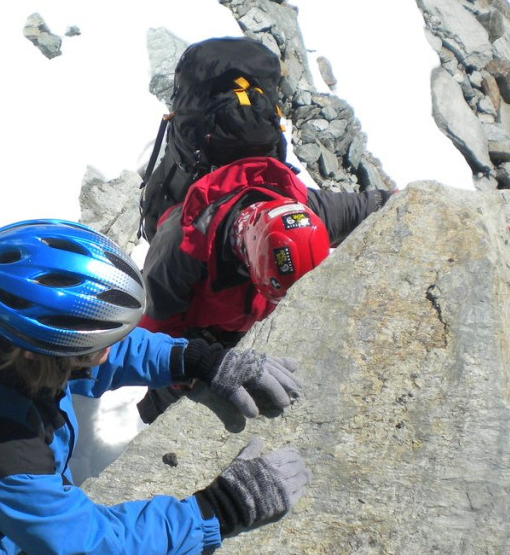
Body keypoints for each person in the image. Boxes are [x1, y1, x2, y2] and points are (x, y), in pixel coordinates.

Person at [0, 218, 312, 555]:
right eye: (95, 347)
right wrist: (221, 508)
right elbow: (96, 550)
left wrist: (200, 359)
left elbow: (103, 349)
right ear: (38, 353)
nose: (110, 351)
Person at [137, 156, 393, 422]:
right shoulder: (179, 249)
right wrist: (195, 369)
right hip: (196, 332)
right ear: (249, 259)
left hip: (244, 321)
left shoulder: (301, 216)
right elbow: (154, 334)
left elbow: (370, 207)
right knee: (170, 395)